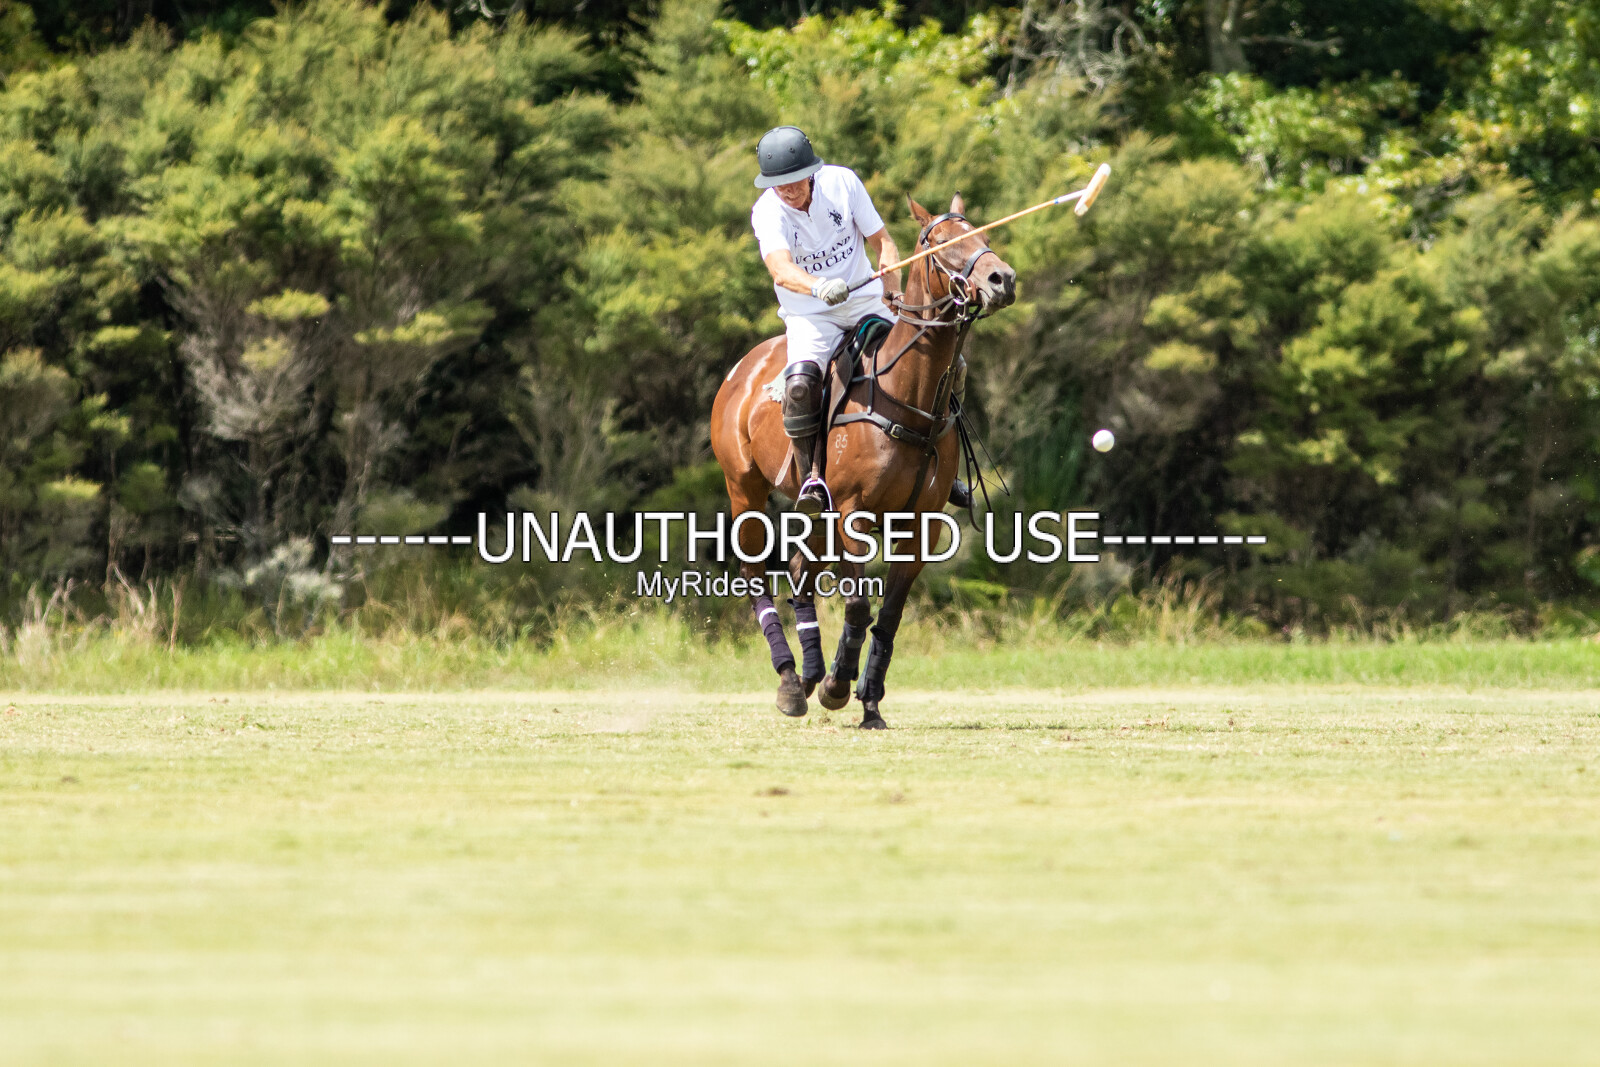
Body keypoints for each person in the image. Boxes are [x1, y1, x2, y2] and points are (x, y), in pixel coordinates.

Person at [749, 125, 905, 513]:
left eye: (795, 181)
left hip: (866, 299)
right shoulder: (767, 211)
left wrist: (892, 286)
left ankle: (945, 462)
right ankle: (813, 481)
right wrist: (818, 287)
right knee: (801, 386)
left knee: (923, 355)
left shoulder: (842, 183)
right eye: (778, 184)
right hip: (810, 313)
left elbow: (882, 242)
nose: (787, 190)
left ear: (811, 173)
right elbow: (780, 269)